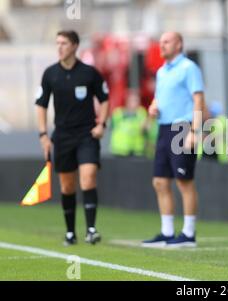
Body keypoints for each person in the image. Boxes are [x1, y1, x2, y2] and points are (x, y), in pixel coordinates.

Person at [36, 30, 109, 246]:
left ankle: (91, 230)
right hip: (63, 136)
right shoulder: (50, 74)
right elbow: (41, 105)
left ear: (75, 46)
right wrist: (43, 134)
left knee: (88, 177)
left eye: (64, 43)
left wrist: (101, 124)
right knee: (67, 186)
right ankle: (70, 232)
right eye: (57, 43)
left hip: (86, 134)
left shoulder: (89, 73)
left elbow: (104, 99)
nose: (60, 47)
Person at [141, 32, 205, 248]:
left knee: (184, 181)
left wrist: (195, 131)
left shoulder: (189, 68)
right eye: (160, 42)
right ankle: (167, 232)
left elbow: (198, 99)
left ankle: (188, 233)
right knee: (159, 181)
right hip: (164, 127)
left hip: (183, 127)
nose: (162, 46)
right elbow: (159, 97)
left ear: (178, 44)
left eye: (166, 42)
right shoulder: (161, 72)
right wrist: (153, 107)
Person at [110, 90, 148, 157]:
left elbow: (145, 129)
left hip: (137, 150)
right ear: (127, 101)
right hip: (119, 150)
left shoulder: (141, 113)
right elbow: (112, 127)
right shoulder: (118, 113)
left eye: (137, 100)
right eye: (133, 100)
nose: (135, 103)